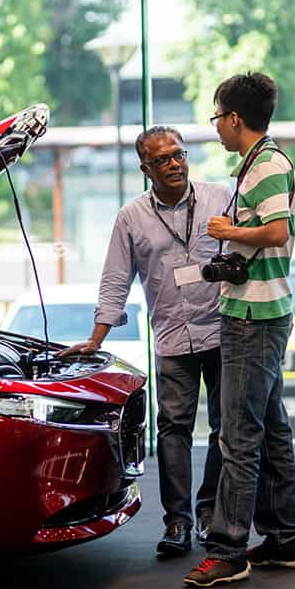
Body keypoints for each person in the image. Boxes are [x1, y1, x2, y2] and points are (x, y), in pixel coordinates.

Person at [60, 126, 232, 557]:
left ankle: (209, 512)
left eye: (178, 155)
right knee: (173, 430)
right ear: (145, 169)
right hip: (173, 337)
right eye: (162, 160)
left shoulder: (219, 198)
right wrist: (96, 337)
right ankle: (177, 521)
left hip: (223, 329)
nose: (174, 164)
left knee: (225, 427)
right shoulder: (131, 217)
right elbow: (116, 279)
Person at [183, 72, 295, 588]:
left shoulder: (264, 167)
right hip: (264, 311)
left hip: (254, 319)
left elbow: (276, 230)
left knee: (237, 435)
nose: (215, 128)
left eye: (217, 117)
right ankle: (286, 538)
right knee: (271, 429)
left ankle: (228, 549)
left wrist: (226, 231)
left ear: (235, 118)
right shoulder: (264, 163)